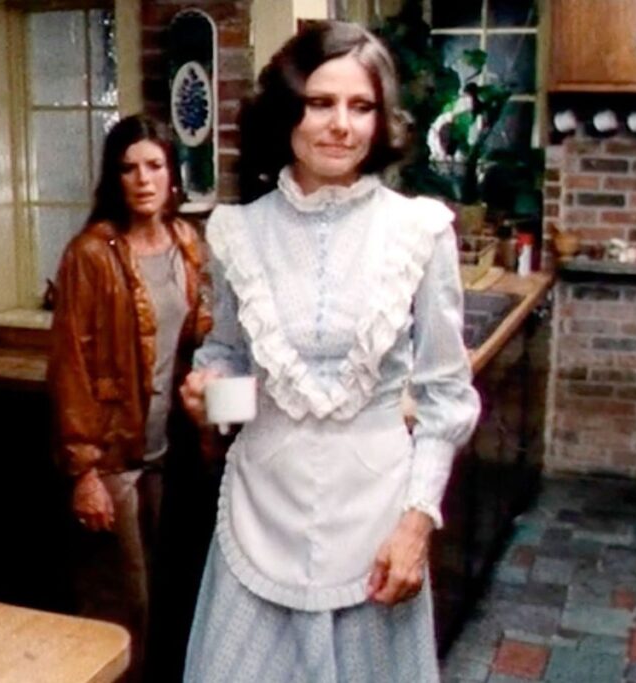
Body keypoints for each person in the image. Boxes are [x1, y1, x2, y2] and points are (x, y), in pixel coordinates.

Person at [178, 21, 480, 682]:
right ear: (288, 108)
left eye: (361, 105)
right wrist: (212, 394)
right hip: (260, 514)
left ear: (380, 120)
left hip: (376, 522)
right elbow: (233, 363)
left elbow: (445, 397)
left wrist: (417, 523)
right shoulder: (238, 234)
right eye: (321, 102)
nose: (341, 124)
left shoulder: (418, 232)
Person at [48, 114, 212, 682]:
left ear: (172, 174)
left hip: (178, 456)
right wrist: (84, 473)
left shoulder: (189, 244)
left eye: (154, 165)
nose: (142, 179)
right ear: (113, 178)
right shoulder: (90, 254)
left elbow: (205, 346)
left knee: (178, 600)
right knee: (125, 610)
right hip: (116, 460)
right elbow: (70, 367)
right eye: (128, 168)